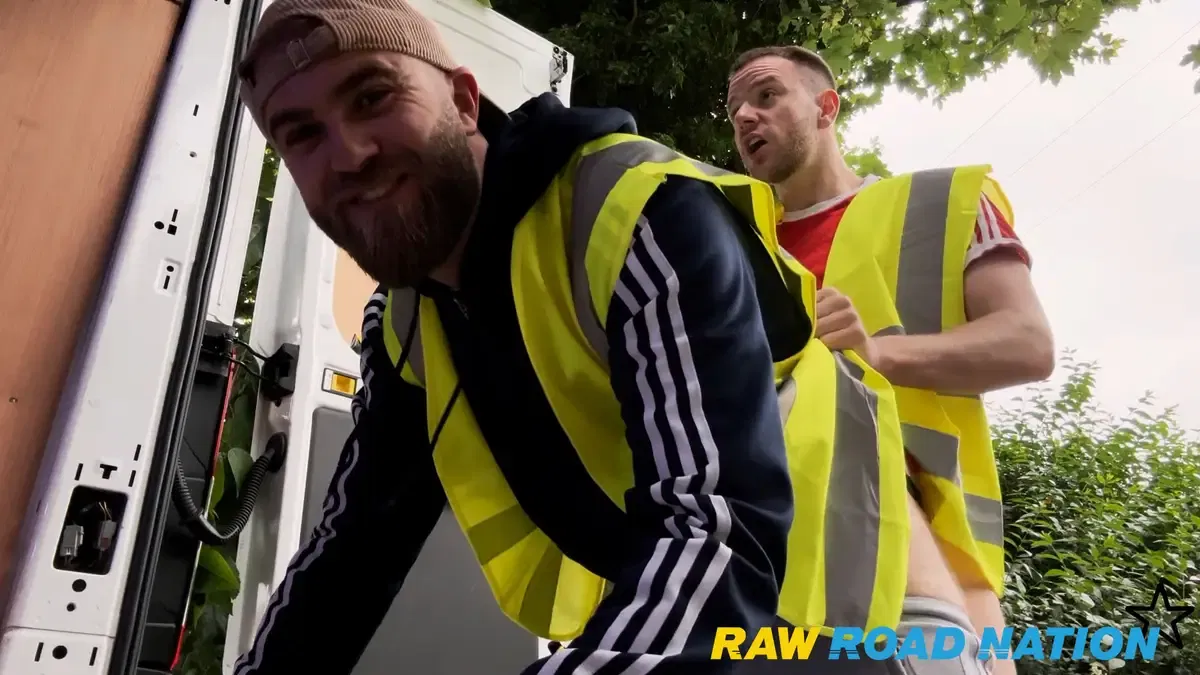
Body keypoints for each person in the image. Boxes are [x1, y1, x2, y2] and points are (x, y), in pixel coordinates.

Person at [231, 1, 913, 673]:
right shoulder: (408, 321)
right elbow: (351, 554)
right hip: (701, 616)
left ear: (464, 101)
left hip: (840, 614)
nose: (349, 154)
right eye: (302, 134)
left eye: (373, 96)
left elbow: (716, 534)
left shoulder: (635, 208)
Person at [726, 45, 1056, 675]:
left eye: (766, 95)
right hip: (759, 545)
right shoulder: (732, 242)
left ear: (826, 107)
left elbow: (1028, 343)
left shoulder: (942, 206)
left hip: (925, 543)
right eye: (735, 108)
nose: (744, 116)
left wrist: (877, 353)